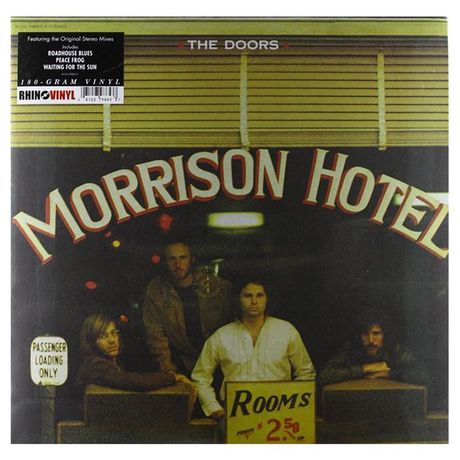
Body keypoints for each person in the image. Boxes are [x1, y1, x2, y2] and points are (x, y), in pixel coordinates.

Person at [191, 278, 316, 420]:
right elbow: (200, 377)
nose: (254, 301)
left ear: (267, 298)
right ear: (238, 299)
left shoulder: (286, 331)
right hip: (235, 415)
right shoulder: (222, 336)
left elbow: (306, 373)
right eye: (248, 296)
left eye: (260, 295)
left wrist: (294, 405)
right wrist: (215, 409)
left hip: (279, 414)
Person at [143, 238, 233, 376]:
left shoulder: (216, 287)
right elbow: (156, 337)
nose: (178, 265)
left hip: (220, 362)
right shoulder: (157, 291)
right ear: (165, 262)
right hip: (183, 364)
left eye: (183, 257)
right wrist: (170, 372)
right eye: (172, 259)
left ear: (192, 259)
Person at [77, 313, 192, 391]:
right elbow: (133, 381)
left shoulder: (112, 362)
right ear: (91, 342)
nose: (112, 340)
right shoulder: (95, 365)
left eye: (114, 333)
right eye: (103, 336)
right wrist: (173, 377)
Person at [319, 311, 428, 386]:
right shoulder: (350, 349)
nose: (371, 340)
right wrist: (365, 368)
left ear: (384, 335)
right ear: (359, 336)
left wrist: (389, 374)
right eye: (365, 334)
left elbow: (423, 375)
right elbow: (323, 376)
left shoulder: (396, 350)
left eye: (376, 333)